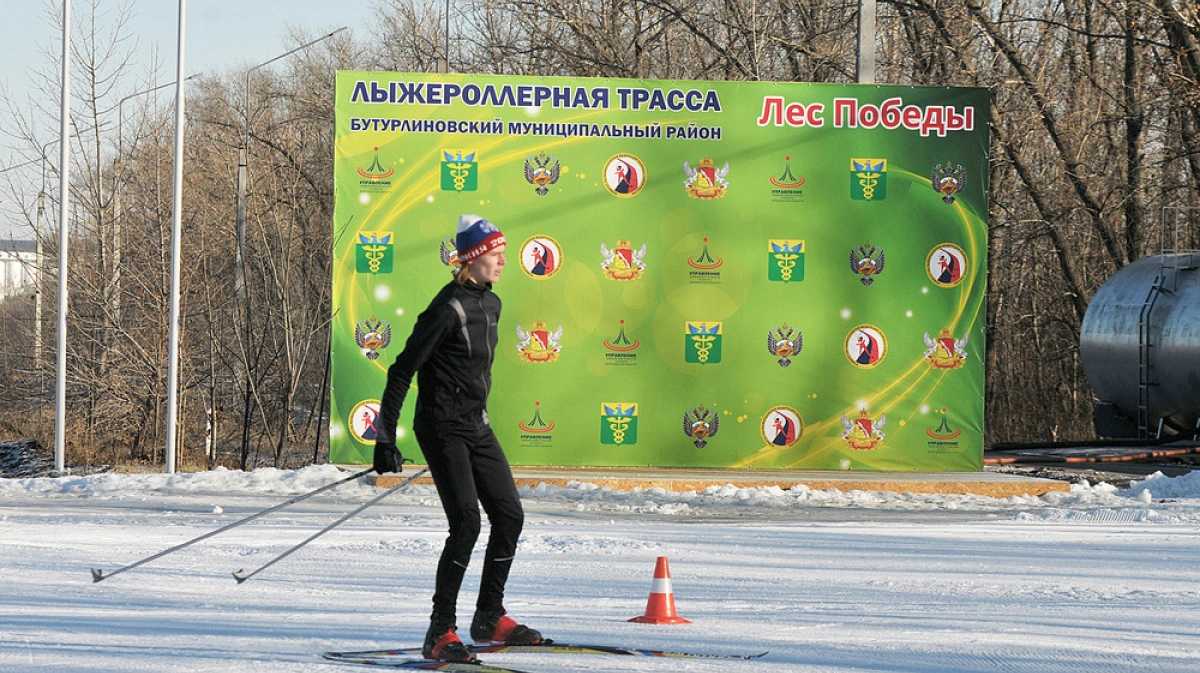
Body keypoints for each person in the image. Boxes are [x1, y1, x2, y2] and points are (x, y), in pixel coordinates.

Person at [372, 214, 543, 663]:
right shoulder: (447, 309)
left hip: (476, 426)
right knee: (467, 523)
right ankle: (439, 629)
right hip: (442, 427)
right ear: (472, 259)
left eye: (504, 253)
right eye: (495, 254)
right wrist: (385, 437)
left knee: (509, 516)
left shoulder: (492, 304)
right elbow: (401, 370)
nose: (504, 261)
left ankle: (489, 615)